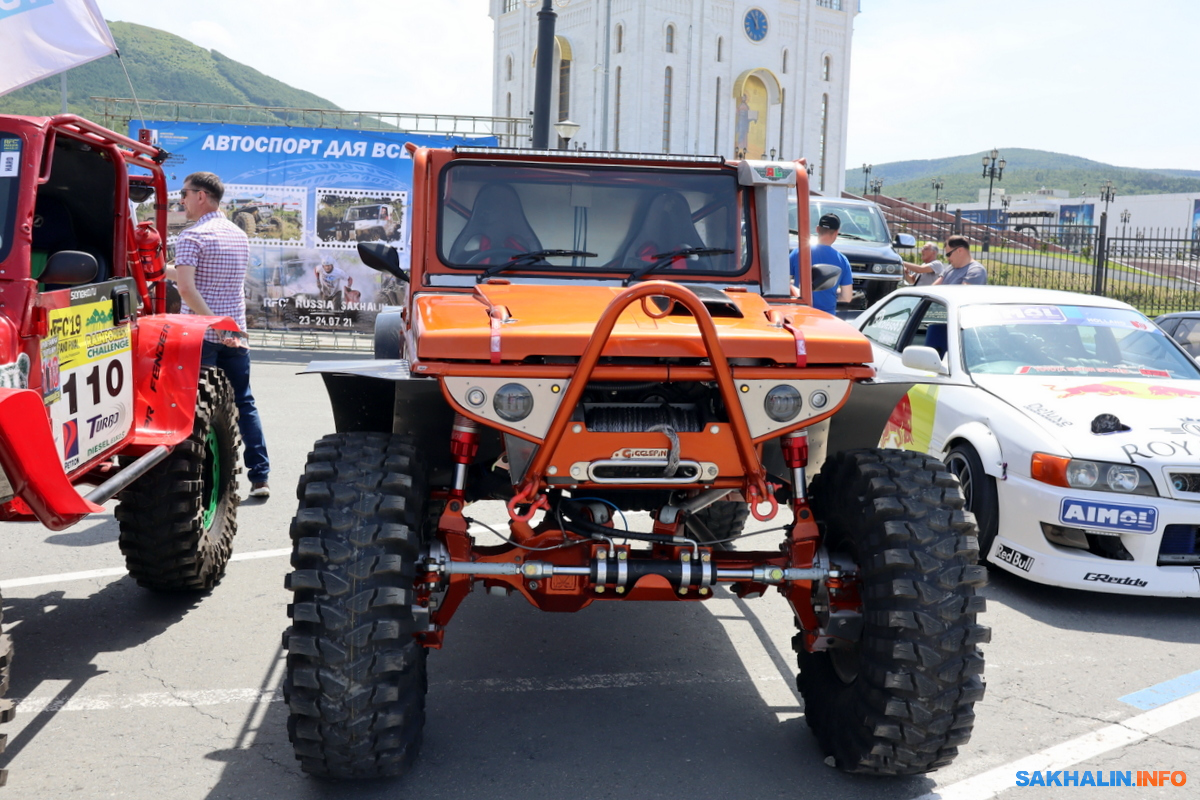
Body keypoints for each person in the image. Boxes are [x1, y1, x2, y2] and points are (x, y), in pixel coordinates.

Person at [168, 171, 271, 499]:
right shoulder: (238, 235)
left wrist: (213, 323)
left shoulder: (192, 236)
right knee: (244, 403)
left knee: (197, 409)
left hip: (202, 337)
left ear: (201, 196)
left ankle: (201, 481)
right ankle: (260, 476)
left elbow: (187, 288)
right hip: (235, 334)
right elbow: (209, 279)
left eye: (184, 193)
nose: (181, 200)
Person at [790, 213, 852, 313]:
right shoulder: (842, 260)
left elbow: (783, 284)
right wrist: (830, 292)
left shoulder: (798, 252)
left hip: (800, 313)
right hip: (826, 318)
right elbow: (847, 297)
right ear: (836, 233)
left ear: (817, 229)